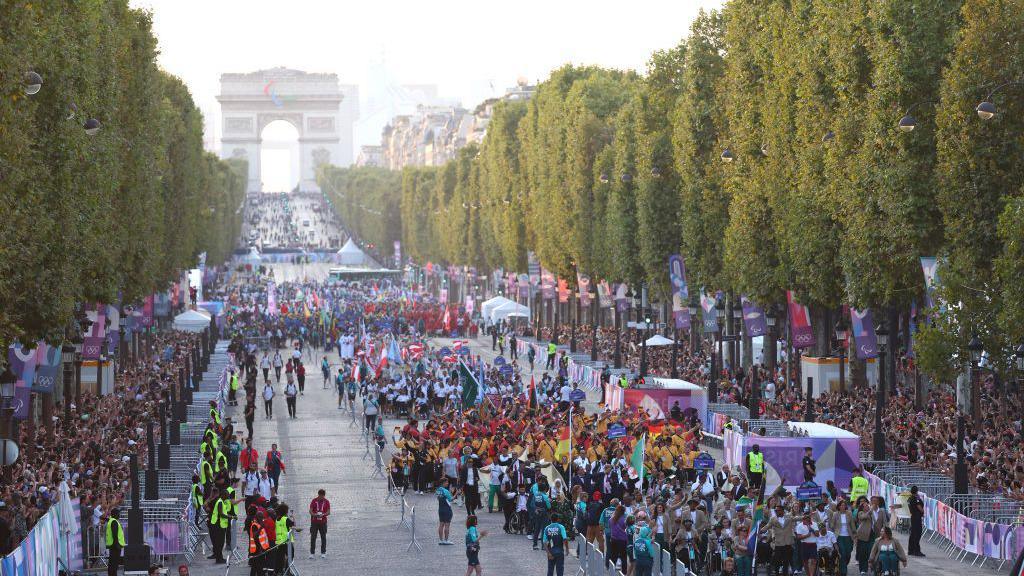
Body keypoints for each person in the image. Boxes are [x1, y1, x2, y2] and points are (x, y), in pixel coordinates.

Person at [309, 489, 330, 558]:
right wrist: (314, 515)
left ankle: (323, 552)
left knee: (323, 537)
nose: (322, 497)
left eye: (323, 496)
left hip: (323, 522)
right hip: (314, 522)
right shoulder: (314, 501)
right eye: (321, 496)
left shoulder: (326, 502)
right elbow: (310, 511)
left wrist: (323, 514)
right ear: (318, 495)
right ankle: (312, 553)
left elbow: (328, 512)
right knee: (313, 537)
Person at [105, 507, 125, 576]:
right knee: (114, 564)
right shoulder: (114, 521)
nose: (119, 515)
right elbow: (115, 534)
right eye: (118, 513)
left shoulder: (112, 521)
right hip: (115, 546)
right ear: (115, 514)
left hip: (113, 545)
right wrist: (117, 545)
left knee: (112, 563)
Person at [906, 486, 925, 557]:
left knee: (913, 534)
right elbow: (919, 506)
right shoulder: (916, 498)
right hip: (917, 517)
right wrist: (923, 512)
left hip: (913, 516)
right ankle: (916, 550)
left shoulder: (909, 498)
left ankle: (910, 550)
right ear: (916, 491)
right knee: (917, 534)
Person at [437, 478, 455, 545]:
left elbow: (438, 499)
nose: (447, 484)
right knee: (447, 525)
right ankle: (446, 540)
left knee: (441, 524)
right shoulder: (446, 491)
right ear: (443, 483)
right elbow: (451, 499)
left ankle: (441, 540)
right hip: (447, 509)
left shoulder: (438, 490)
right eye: (446, 482)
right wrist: (456, 493)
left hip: (440, 509)